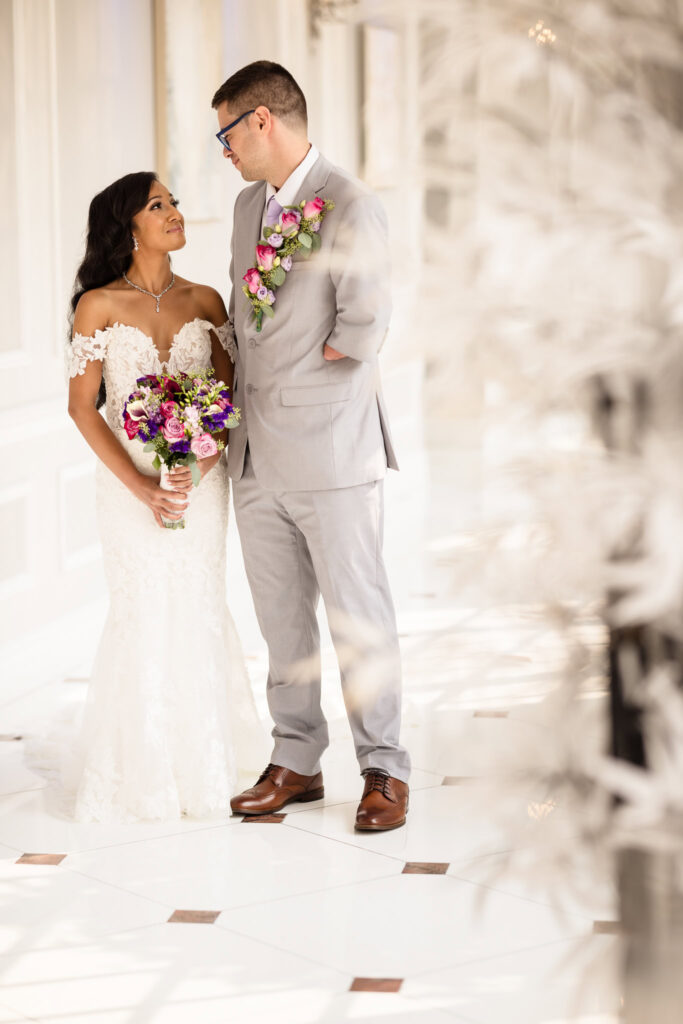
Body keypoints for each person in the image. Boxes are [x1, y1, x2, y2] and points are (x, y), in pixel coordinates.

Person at [213, 61, 411, 831]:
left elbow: (364, 325)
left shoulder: (351, 204)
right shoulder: (242, 208)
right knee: (281, 621)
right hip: (253, 453)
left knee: (358, 616)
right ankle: (295, 758)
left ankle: (384, 769)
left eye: (227, 132)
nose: (223, 149)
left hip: (330, 448)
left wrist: (312, 368)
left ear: (262, 121)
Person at [65, 171, 265, 821]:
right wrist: (143, 486)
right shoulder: (97, 305)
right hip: (128, 486)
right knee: (142, 607)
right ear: (129, 227)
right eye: (160, 205)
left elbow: (228, 398)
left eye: (174, 202)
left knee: (198, 599)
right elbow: (83, 409)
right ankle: (142, 769)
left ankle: (206, 759)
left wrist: (198, 468)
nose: (176, 212)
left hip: (199, 486)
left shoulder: (207, 300)